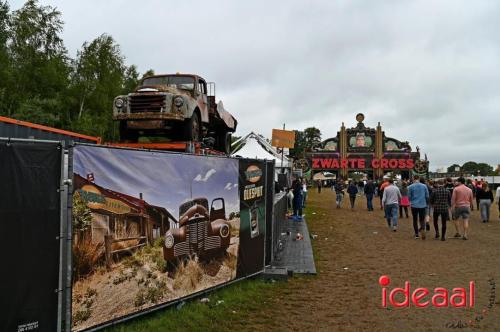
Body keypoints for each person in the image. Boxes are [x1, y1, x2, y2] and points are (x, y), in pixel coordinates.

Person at [408, 175, 429, 239]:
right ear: (419, 179)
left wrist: (411, 200)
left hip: (414, 205)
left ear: (413, 179)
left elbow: (409, 197)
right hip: (422, 205)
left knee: (415, 219)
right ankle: (423, 229)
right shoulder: (424, 186)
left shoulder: (410, 187)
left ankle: (416, 234)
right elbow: (427, 195)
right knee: (422, 219)